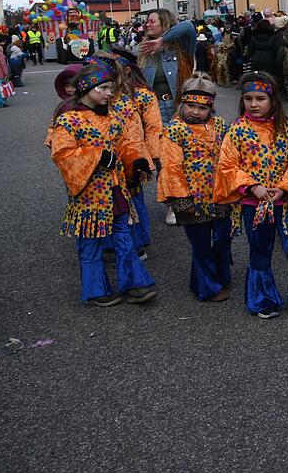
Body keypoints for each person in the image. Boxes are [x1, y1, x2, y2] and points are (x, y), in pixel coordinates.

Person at [213, 72, 288, 320]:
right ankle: (263, 298)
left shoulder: (287, 129)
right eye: (248, 98)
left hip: (286, 203)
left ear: (273, 99)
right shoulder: (236, 131)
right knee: (260, 250)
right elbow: (227, 166)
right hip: (253, 204)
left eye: (260, 98)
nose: (253, 104)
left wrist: (284, 188)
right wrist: (252, 186)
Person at [47, 64, 157, 306]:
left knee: (123, 238)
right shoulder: (68, 119)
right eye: (105, 88)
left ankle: (134, 284)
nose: (110, 93)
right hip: (88, 196)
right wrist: (96, 156)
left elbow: (126, 143)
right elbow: (62, 154)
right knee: (90, 244)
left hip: (117, 190)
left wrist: (136, 160)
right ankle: (96, 291)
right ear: (88, 88)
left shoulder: (111, 116)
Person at [158, 73, 234, 302]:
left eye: (202, 108)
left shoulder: (219, 124)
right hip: (192, 197)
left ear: (210, 107)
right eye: (190, 106)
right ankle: (206, 286)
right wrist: (181, 199)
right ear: (182, 103)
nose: (195, 112)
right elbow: (171, 167)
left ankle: (220, 274)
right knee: (200, 244)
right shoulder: (174, 130)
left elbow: (230, 155)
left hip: (219, 194)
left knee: (223, 237)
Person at [106, 51, 163, 260]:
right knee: (112, 200)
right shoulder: (105, 93)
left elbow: (154, 128)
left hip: (136, 157)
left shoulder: (143, 95)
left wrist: (152, 157)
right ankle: (113, 243)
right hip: (110, 158)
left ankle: (137, 242)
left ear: (126, 69)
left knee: (134, 198)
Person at [138, 9, 197, 125]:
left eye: (152, 21)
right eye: (146, 22)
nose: (147, 25)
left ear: (165, 24)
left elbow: (188, 26)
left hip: (179, 107)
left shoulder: (181, 48)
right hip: (154, 109)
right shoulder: (142, 50)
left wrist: (162, 40)